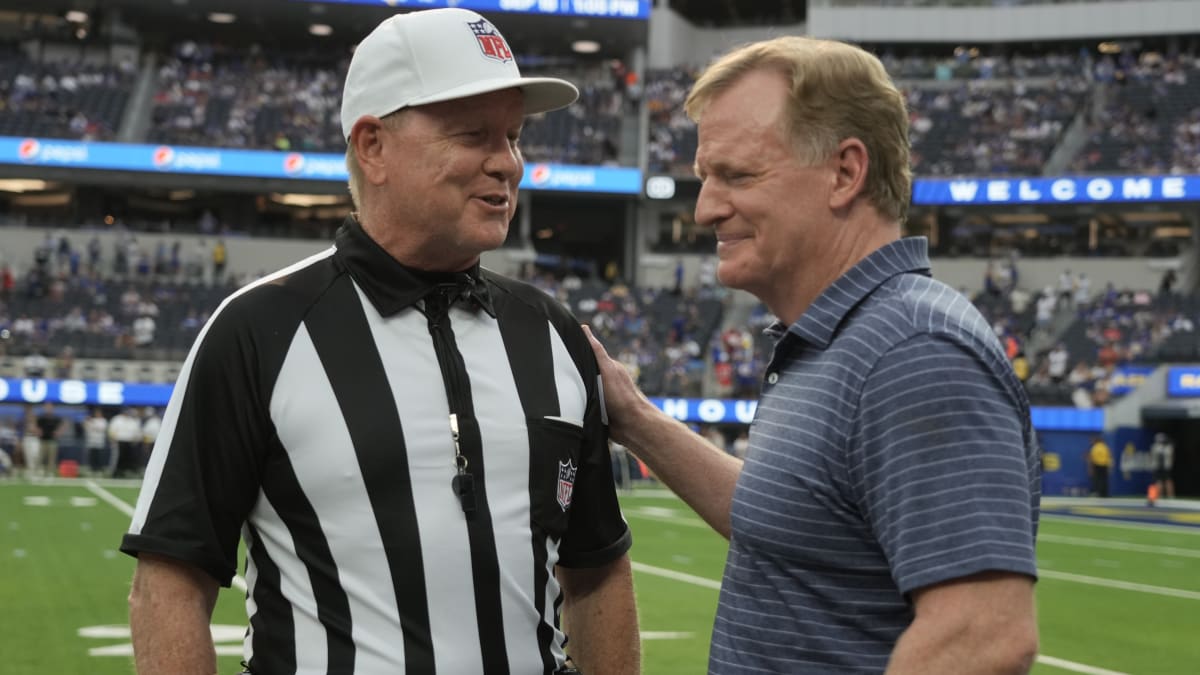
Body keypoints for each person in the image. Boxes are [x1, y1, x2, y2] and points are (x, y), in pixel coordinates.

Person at [121, 9, 637, 675]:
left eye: (513, 136)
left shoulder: (553, 333)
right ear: (372, 145)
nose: (506, 163)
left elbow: (595, 567)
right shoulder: (257, 331)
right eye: (473, 134)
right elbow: (169, 584)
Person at [583, 36, 1040, 673]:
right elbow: (793, 524)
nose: (706, 208)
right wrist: (635, 418)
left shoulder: (913, 351)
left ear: (845, 173)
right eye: (706, 178)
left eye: (737, 175)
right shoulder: (844, 335)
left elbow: (984, 635)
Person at [1150, 432, 1175, 499]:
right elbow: (1171, 457)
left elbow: (1152, 457)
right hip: (1166, 467)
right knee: (1167, 480)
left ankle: (1160, 496)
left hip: (1158, 466)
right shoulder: (1169, 447)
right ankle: (1170, 496)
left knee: (1159, 481)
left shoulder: (1154, 447)